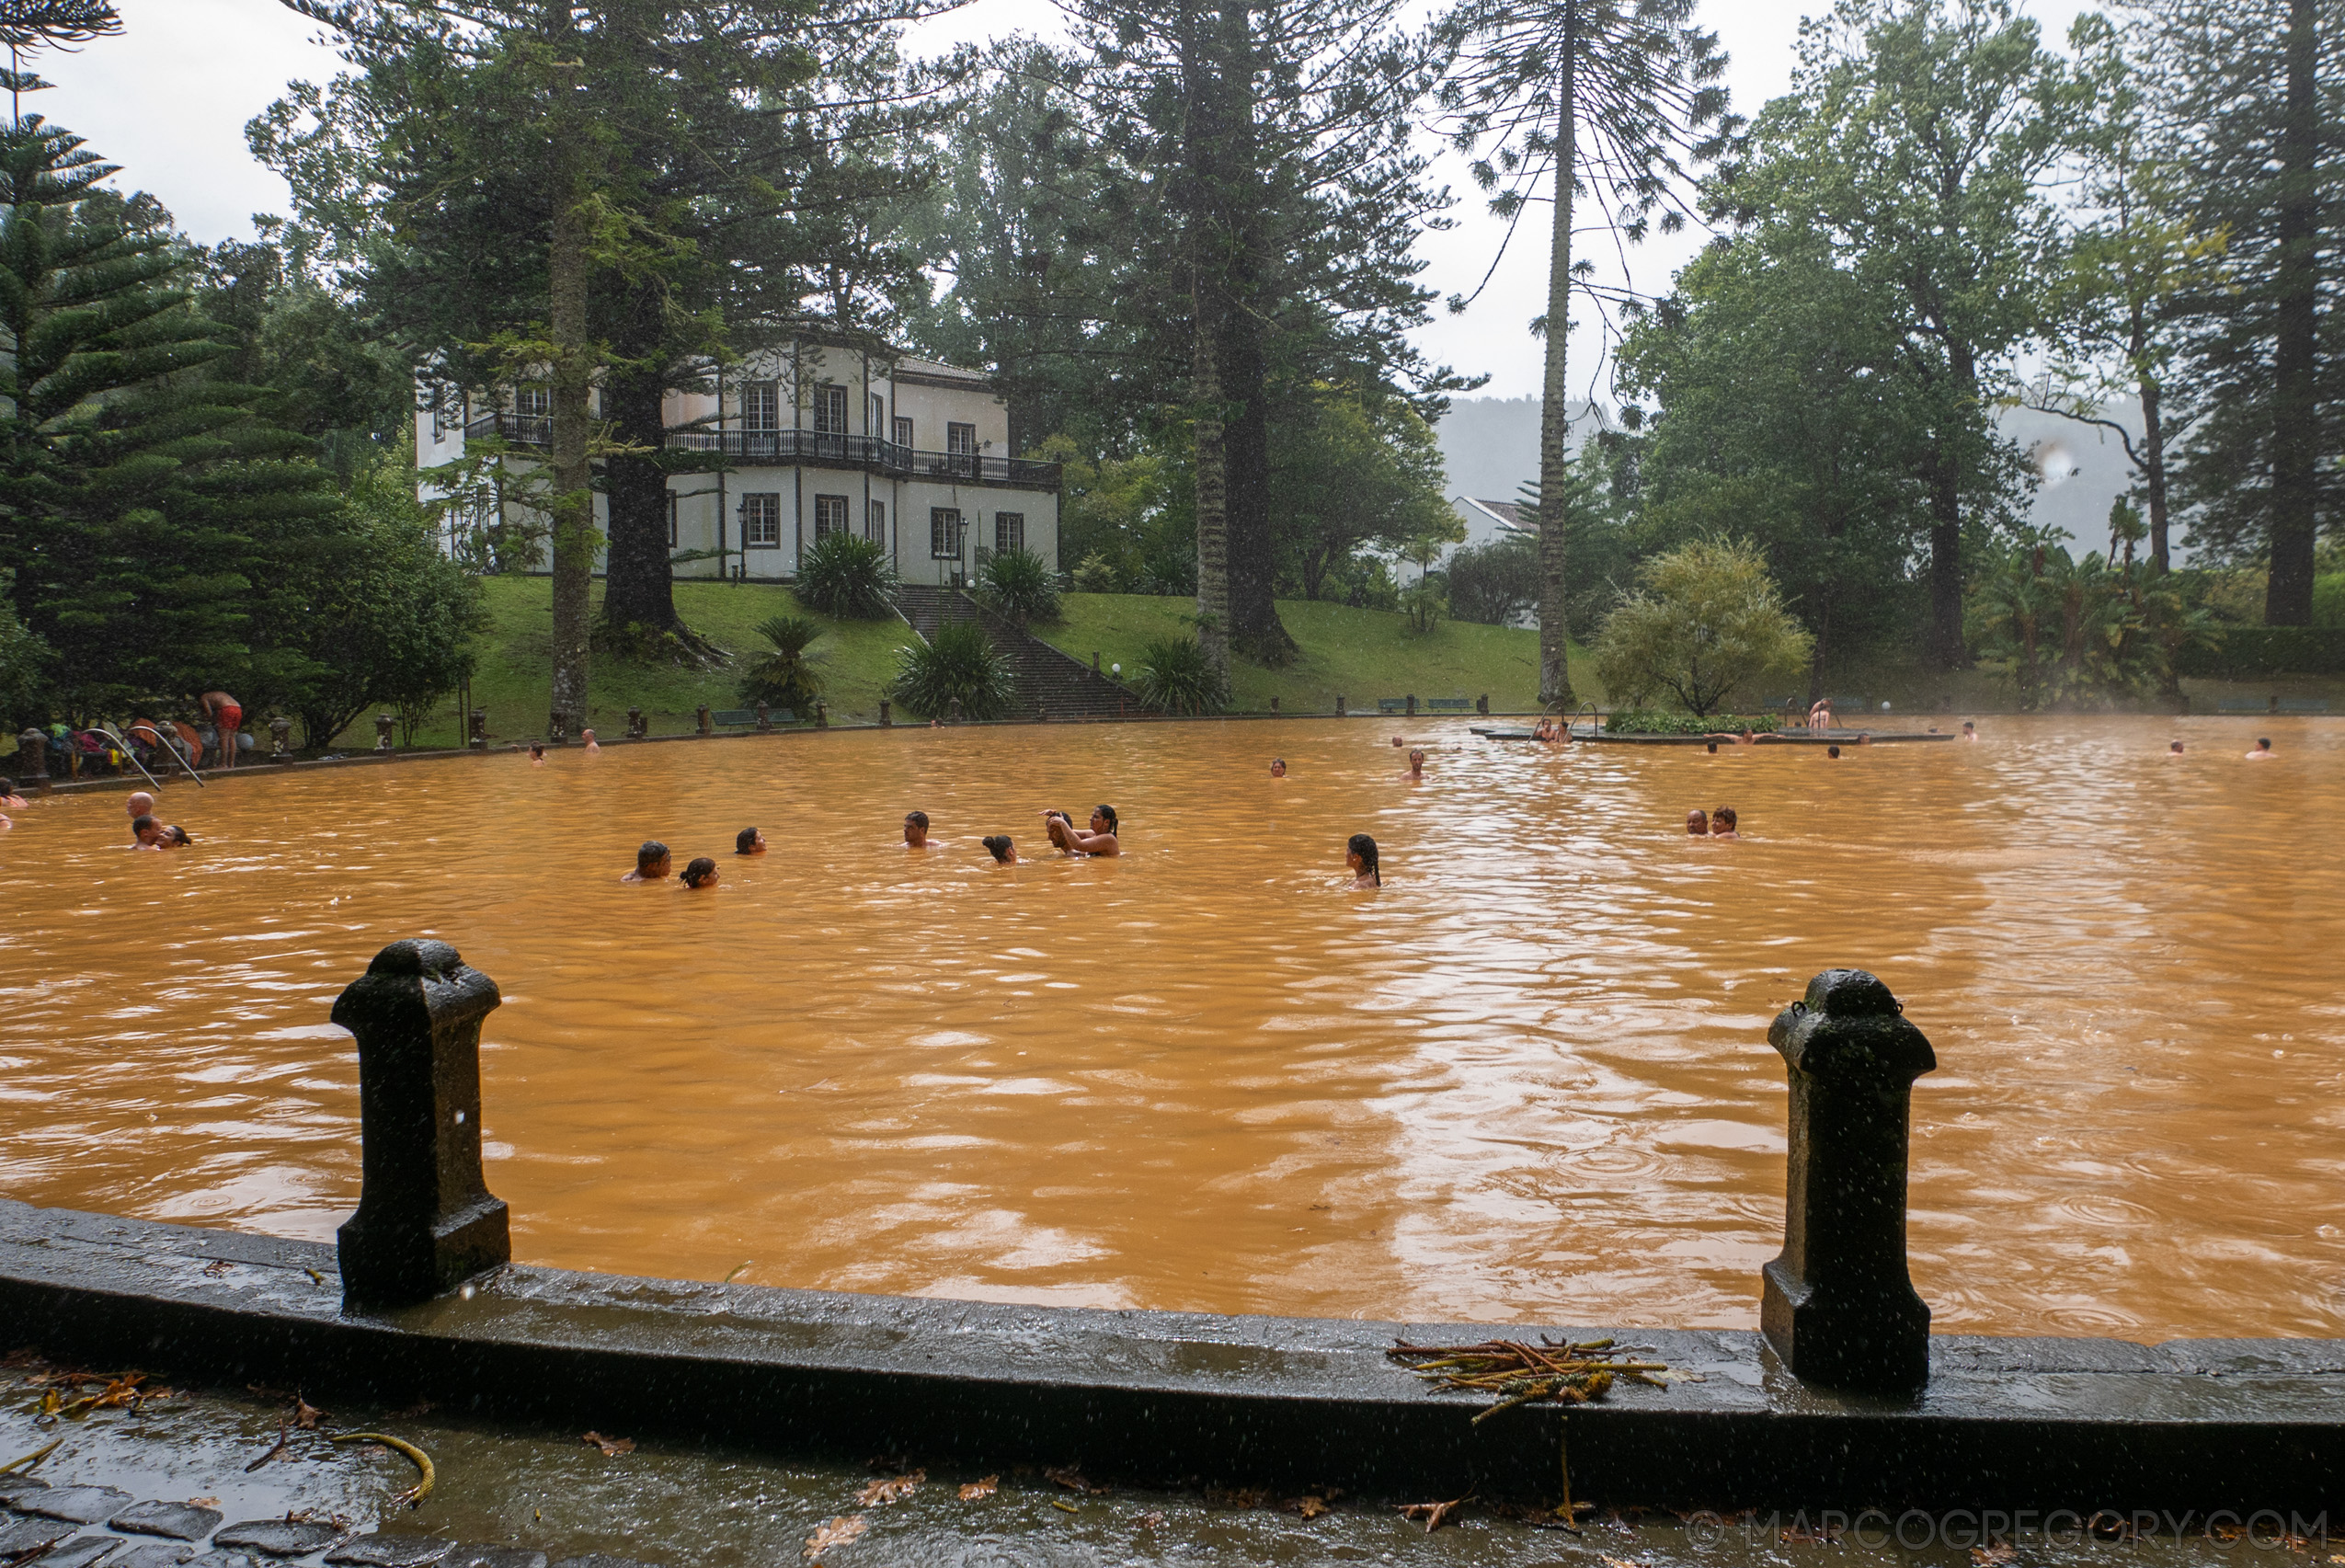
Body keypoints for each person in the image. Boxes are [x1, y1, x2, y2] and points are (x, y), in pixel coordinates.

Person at [1044, 804, 1120, 856]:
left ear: (1106, 822)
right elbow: (1064, 834)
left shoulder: (1109, 839)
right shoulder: (1092, 834)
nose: (1091, 819)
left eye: (1096, 817)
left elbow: (1079, 845)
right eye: (1092, 816)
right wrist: (1054, 817)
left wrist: (1063, 823)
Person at [198, 691, 242, 769]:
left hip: (227, 709)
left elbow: (209, 713)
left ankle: (223, 764)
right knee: (232, 736)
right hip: (237, 708)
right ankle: (231, 764)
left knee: (224, 737)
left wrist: (210, 719)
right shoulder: (218, 694)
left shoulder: (204, 697)